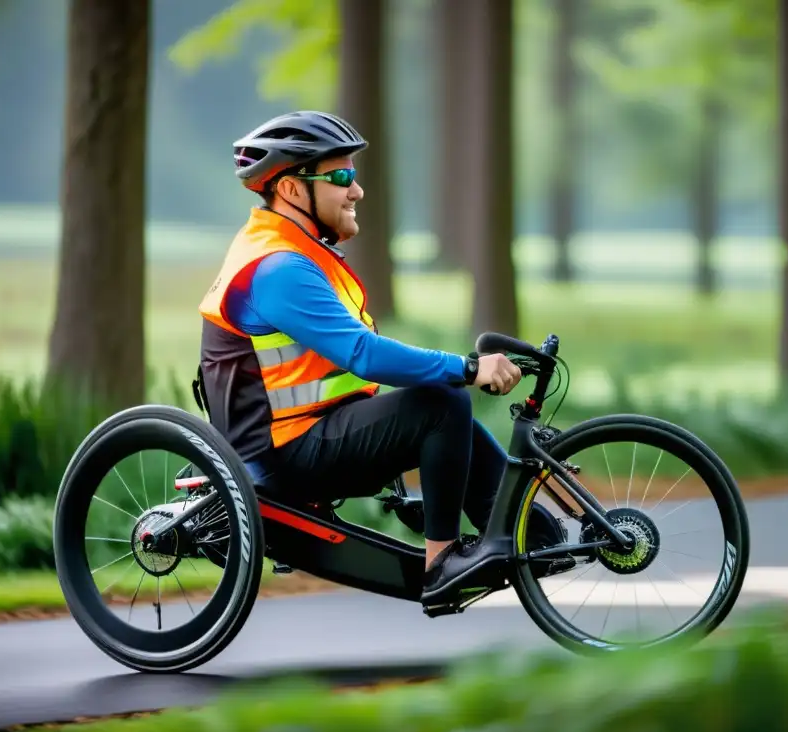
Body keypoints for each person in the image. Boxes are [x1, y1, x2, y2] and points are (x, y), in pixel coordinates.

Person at [196, 110, 569, 605]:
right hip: (285, 454)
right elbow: (363, 355)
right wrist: (468, 368)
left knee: (452, 422)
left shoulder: (294, 251)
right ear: (290, 190)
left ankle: (531, 534)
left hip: (316, 431)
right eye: (341, 177)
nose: (357, 191)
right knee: (441, 404)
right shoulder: (277, 268)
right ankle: (442, 564)